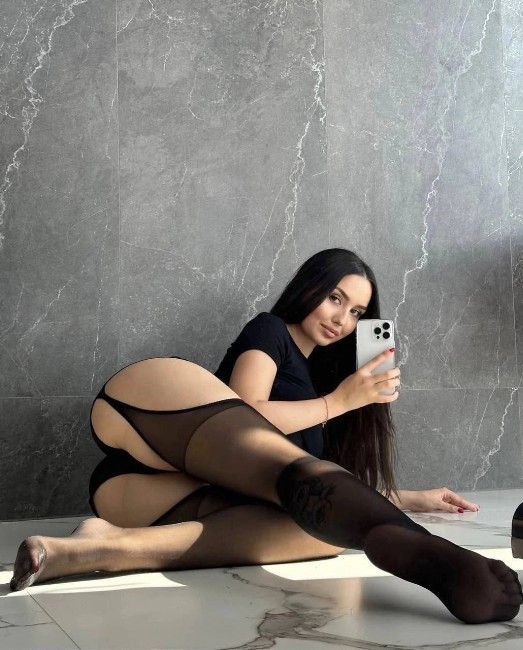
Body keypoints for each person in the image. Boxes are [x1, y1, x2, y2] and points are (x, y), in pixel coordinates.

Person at [10, 248, 522, 625]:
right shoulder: (271, 330)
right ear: (309, 288)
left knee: (316, 527)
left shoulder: (325, 380)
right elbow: (247, 414)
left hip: (142, 496)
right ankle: (429, 550)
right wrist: (341, 401)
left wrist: (404, 496)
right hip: (151, 415)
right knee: (276, 464)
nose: (342, 320)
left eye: (357, 313)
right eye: (336, 299)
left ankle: (101, 546)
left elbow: (303, 483)